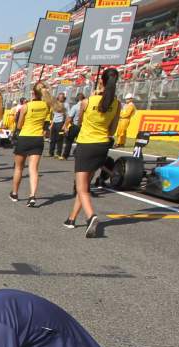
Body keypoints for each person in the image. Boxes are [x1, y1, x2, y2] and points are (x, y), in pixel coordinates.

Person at [64, 68, 120, 237]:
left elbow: (79, 122)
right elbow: (113, 128)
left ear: (101, 81)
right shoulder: (117, 104)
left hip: (86, 144)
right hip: (102, 145)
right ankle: (71, 218)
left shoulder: (86, 102)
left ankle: (91, 217)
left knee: (81, 187)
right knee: (85, 186)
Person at [10, 81, 54, 207]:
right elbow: (46, 122)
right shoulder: (47, 106)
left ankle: (15, 193)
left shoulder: (26, 106)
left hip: (24, 137)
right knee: (33, 169)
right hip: (37, 139)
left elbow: (19, 125)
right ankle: (32, 195)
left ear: (33, 93)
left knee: (19, 168)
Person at [61, 93, 84, 160]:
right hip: (83, 126)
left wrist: (65, 126)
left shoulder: (75, 106)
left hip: (75, 126)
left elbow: (70, 117)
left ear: (77, 99)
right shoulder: (87, 106)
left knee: (69, 141)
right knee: (81, 142)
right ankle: (79, 155)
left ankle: (65, 155)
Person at [48, 92, 67, 158]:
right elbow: (54, 116)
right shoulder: (55, 105)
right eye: (60, 97)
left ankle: (58, 153)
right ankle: (51, 152)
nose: (61, 98)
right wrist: (51, 125)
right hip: (55, 123)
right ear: (58, 98)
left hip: (61, 123)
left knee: (60, 138)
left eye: (62, 97)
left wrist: (65, 125)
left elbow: (67, 116)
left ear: (64, 98)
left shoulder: (66, 105)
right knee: (52, 138)